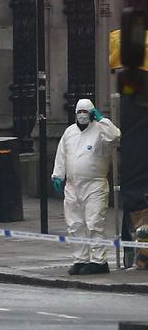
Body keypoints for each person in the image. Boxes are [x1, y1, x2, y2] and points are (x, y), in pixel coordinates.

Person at [52, 98, 121, 276]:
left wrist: (102, 119)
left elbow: (115, 135)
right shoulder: (69, 132)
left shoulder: (101, 132)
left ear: (91, 113)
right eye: (79, 111)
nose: (82, 115)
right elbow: (61, 155)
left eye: (85, 112)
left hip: (94, 185)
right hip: (72, 186)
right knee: (75, 224)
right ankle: (80, 259)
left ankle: (99, 261)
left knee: (94, 223)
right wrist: (58, 175)